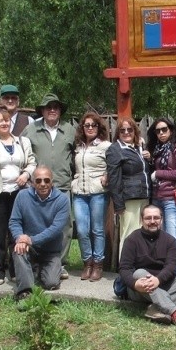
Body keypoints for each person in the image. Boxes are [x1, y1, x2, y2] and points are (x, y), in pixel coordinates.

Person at [0, 106, 36, 286]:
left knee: (15, 233)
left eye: (7, 120)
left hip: (18, 194)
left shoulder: (22, 142)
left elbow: (32, 162)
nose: (4, 123)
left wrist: (26, 174)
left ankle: (15, 269)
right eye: (0, 120)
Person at [22, 93, 75, 279]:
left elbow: (80, 152)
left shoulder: (70, 130)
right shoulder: (31, 129)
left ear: (60, 110)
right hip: (38, 186)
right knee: (36, 222)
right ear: (42, 111)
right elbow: (20, 151)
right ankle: (35, 260)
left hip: (62, 184)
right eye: (48, 107)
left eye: (56, 107)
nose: (52, 110)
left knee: (65, 226)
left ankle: (60, 263)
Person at [119, 203, 176, 327]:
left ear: (161, 220)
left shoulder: (170, 241)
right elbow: (124, 269)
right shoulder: (132, 240)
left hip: (162, 284)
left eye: (156, 218)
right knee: (139, 272)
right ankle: (174, 313)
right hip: (139, 289)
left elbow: (172, 266)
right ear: (141, 220)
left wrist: (158, 280)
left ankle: (156, 308)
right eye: (148, 218)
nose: (152, 221)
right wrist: (134, 284)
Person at [9, 165, 70, 300]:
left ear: (52, 182)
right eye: (38, 181)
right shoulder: (22, 196)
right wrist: (20, 238)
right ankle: (25, 292)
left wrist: (31, 239)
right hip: (28, 247)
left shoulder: (62, 199)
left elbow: (56, 228)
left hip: (50, 250)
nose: (43, 184)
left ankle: (37, 270)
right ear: (32, 182)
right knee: (18, 250)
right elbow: (14, 221)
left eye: (47, 180)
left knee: (52, 283)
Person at [72, 112, 111, 281]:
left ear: (98, 127)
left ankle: (98, 264)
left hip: (98, 192)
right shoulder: (79, 146)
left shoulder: (105, 146)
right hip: (79, 192)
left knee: (97, 230)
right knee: (81, 230)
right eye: (86, 125)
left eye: (93, 125)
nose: (89, 128)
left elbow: (116, 163)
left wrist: (107, 174)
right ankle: (87, 262)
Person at [146, 117, 176, 275]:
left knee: (172, 239)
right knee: (158, 239)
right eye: (158, 131)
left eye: (164, 129)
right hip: (156, 198)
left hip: (171, 198)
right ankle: (165, 274)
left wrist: (158, 173)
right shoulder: (156, 149)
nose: (161, 133)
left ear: (171, 130)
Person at [107, 117, 151, 260]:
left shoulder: (139, 147)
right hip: (129, 199)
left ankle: (139, 269)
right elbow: (113, 179)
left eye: (130, 129)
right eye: (122, 130)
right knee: (129, 236)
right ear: (118, 133)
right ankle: (126, 272)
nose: (126, 132)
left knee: (143, 235)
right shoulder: (115, 150)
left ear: (135, 131)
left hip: (144, 197)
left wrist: (148, 157)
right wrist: (118, 204)